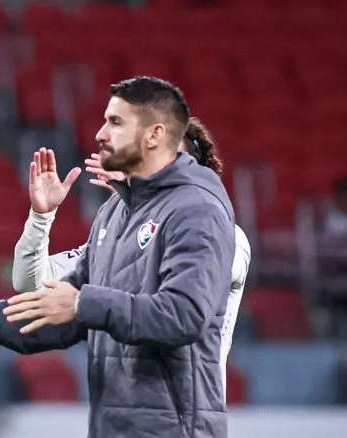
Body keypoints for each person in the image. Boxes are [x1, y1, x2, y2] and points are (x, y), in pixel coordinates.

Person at [0, 77, 236, 438]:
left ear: (153, 134)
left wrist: (85, 303)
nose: (100, 133)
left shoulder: (196, 209)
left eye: (114, 121)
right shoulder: (114, 214)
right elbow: (67, 310)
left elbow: (184, 314)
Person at [13, 117, 252, 413]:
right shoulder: (117, 239)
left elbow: (170, 300)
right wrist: (41, 218)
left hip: (185, 423)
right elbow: (34, 284)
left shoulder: (226, 236)